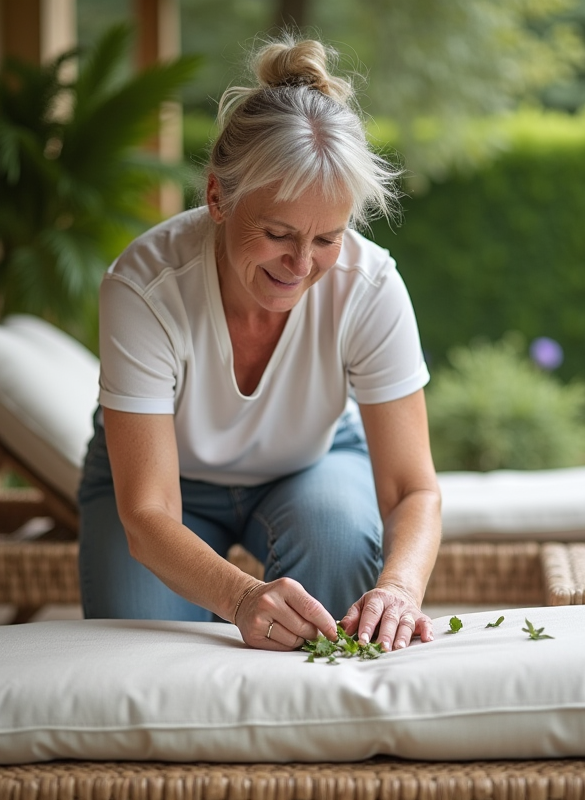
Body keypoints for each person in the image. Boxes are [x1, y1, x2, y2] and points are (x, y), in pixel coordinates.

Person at [77, 35, 441, 654]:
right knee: (139, 655)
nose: (302, 264)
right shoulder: (143, 286)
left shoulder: (369, 283)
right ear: (218, 197)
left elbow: (414, 489)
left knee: (341, 539)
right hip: (167, 492)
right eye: (277, 234)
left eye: (327, 238)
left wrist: (400, 589)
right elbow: (147, 514)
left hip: (311, 464)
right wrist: (243, 597)